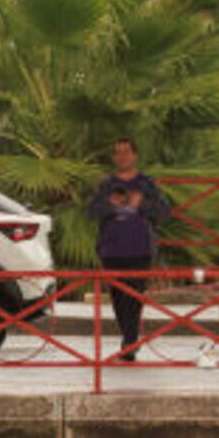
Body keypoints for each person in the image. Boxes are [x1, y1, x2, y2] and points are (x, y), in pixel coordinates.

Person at [85, 138, 172, 362]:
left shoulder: (146, 184)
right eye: (118, 153)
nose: (122, 157)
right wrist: (110, 203)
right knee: (118, 298)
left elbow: (163, 212)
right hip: (111, 250)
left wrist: (139, 204)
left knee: (135, 296)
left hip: (139, 249)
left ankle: (130, 342)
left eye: (126, 153)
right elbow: (91, 212)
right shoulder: (106, 184)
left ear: (135, 156)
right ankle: (129, 338)